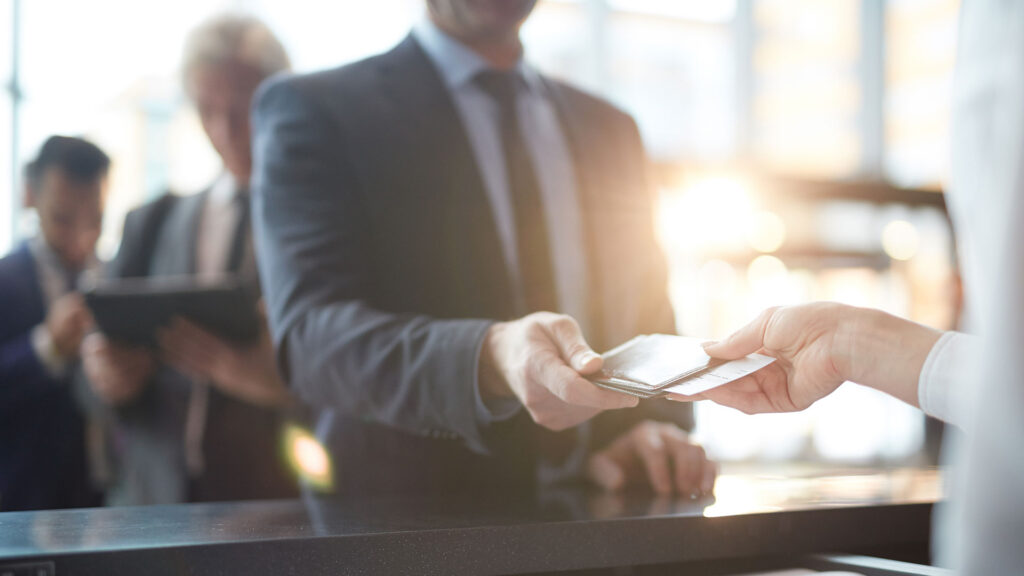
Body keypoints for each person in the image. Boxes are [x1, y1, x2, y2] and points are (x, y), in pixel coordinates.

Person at [252, 0, 715, 497]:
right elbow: (310, 337)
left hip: (606, 520)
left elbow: (647, 313)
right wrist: (491, 356)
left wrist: (644, 427)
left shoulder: (610, 130)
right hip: (413, 532)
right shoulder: (318, 111)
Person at [79, 14, 297, 505]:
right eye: (207, 108)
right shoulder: (151, 221)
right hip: (153, 503)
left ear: (280, 99)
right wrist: (104, 376)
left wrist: (282, 385)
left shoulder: (320, 223)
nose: (226, 128)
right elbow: (83, 383)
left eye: (243, 107)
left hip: (273, 504)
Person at [0, 136, 109, 511]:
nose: (82, 239)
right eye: (63, 219)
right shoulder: (4, 280)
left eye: (95, 220)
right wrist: (47, 347)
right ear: (29, 195)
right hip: (21, 501)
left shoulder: (115, 279)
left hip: (106, 504)